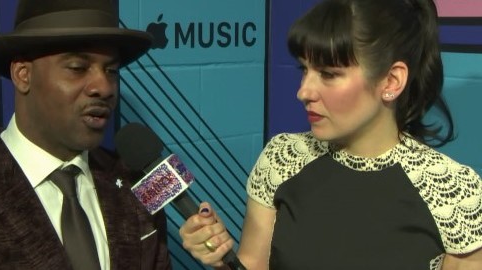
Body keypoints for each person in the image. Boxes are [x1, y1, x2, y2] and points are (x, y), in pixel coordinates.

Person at [179, 0, 482, 269]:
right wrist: (220, 258)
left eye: (329, 74)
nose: (303, 92)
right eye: (304, 70)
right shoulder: (282, 158)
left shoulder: (455, 192)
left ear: (391, 81)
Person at [0, 0, 171, 269]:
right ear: (23, 75)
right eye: (78, 68)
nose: (104, 86)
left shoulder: (141, 182)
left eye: (110, 70)